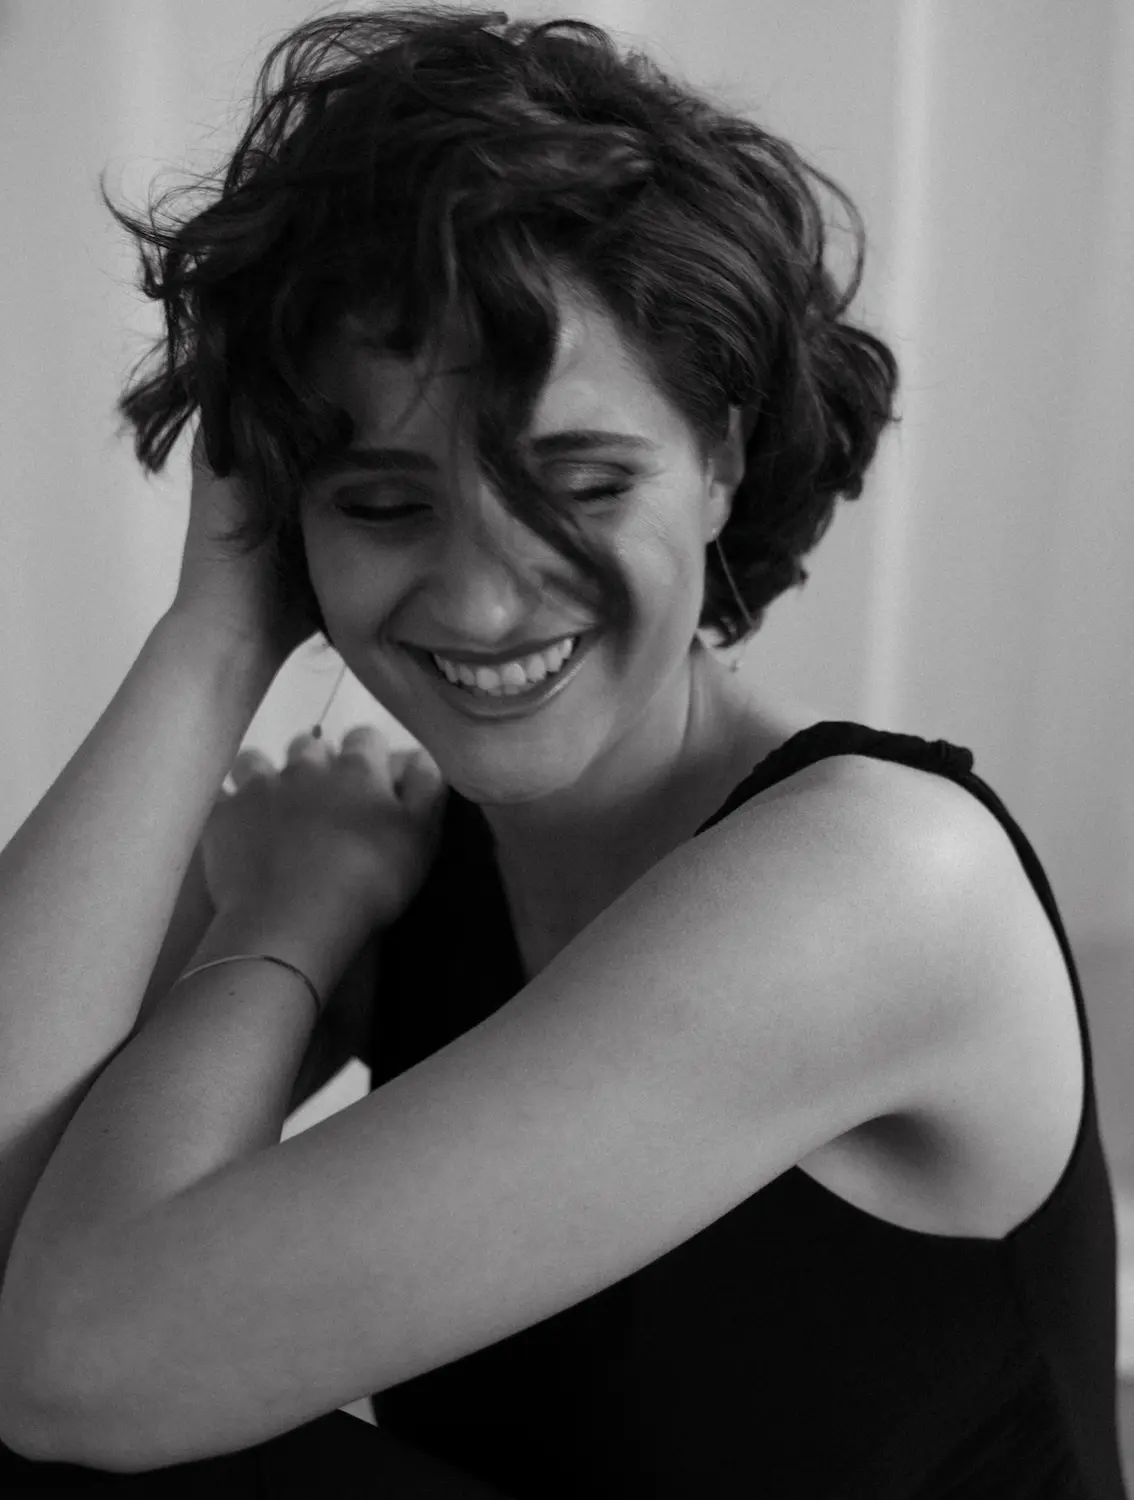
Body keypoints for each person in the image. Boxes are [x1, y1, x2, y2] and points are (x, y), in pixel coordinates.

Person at [0, 5, 1127, 1496]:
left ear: (721, 456)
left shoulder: (878, 877)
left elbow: (78, 1369)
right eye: (384, 505)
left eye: (578, 483)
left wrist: (281, 916)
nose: (476, 599)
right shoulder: (401, 843)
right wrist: (211, 641)